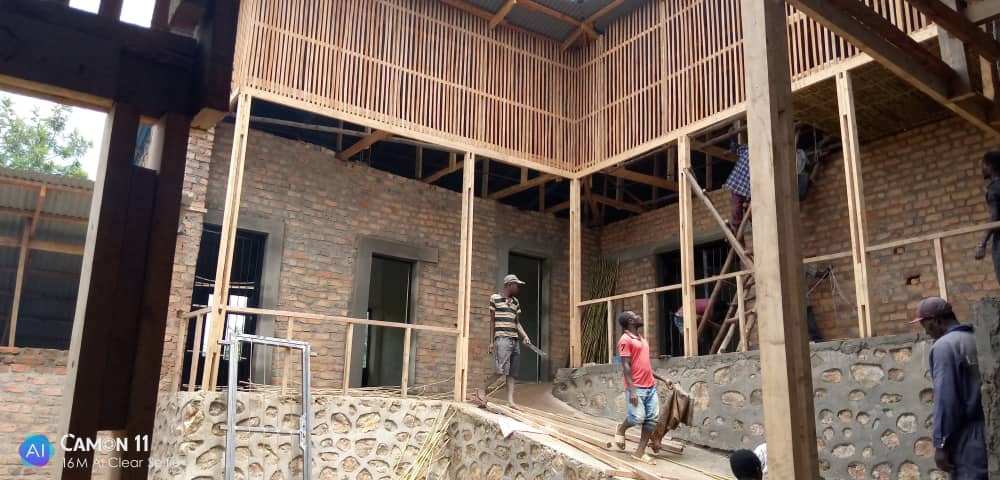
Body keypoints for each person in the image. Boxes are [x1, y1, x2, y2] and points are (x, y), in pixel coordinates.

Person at [911, 297, 988, 479]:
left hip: (967, 437)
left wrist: (941, 444)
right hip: (988, 426)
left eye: (925, 325)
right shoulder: (978, 338)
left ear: (937, 321)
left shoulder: (944, 347)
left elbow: (946, 399)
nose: (926, 332)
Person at [612, 311, 672, 465]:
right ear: (631, 321)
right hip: (636, 387)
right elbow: (625, 365)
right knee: (637, 417)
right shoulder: (625, 340)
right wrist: (632, 390)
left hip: (650, 386)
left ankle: (640, 452)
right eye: (636, 316)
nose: (640, 317)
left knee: (651, 419)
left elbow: (646, 367)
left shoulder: (643, 340)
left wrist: (663, 379)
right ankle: (621, 429)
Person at [476, 274, 533, 407]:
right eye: (516, 285)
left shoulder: (516, 302)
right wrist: (491, 342)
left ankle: (510, 401)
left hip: (514, 340)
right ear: (509, 285)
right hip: (502, 339)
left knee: (512, 373)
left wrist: (525, 336)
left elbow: (517, 323)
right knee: (500, 370)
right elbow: (492, 321)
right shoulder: (495, 298)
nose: (518, 288)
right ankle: (481, 388)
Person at [974, 151, 1000, 285]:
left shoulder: (994, 189)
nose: (982, 168)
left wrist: (982, 243)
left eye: (983, 165)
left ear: (990, 166)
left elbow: (995, 217)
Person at [724, 142, 751, 229]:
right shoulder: (747, 149)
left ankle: (756, 227)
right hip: (737, 186)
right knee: (735, 209)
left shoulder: (762, 157)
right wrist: (732, 140)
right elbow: (735, 148)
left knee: (752, 212)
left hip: (749, 191)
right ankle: (737, 227)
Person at [804, 265, 825, 343]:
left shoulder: (804, 267)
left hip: (805, 303)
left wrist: (827, 271)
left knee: (811, 325)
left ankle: (817, 341)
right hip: (793, 304)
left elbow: (821, 275)